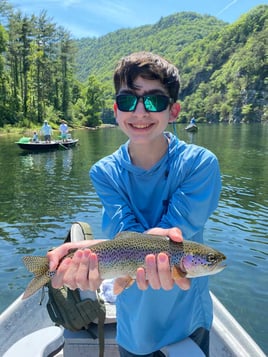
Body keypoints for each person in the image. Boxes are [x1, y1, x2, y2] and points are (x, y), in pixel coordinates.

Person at [47, 51, 221, 357]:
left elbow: (169, 236)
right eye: (129, 101)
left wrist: (102, 248)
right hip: (134, 325)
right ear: (116, 111)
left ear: (174, 110)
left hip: (186, 318)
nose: (140, 112)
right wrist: (78, 254)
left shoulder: (199, 164)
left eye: (154, 101)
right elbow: (128, 237)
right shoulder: (104, 172)